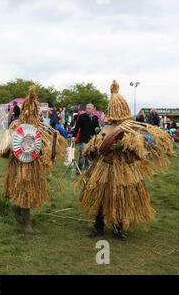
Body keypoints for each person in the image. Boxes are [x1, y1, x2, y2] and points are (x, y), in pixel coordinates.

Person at [74, 81, 173, 241]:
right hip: (104, 169)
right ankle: (98, 228)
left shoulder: (130, 129)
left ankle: (117, 229)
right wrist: (92, 150)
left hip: (121, 171)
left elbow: (138, 153)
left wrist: (121, 147)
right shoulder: (105, 128)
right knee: (100, 199)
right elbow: (94, 152)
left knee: (119, 199)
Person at [0, 86, 66, 234]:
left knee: (28, 193)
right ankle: (19, 213)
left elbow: (45, 148)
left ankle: (26, 221)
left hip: (34, 166)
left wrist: (50, 154)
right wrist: (7, 148)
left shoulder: (41, 128)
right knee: (19, 191)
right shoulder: (15, 125)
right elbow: (4, 149)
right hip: (17, 166)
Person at [72, 104, 100, 173]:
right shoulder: (82, 116)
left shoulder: (95, 118)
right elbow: (77, 127)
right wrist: (74, 136)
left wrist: (98, 129)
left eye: (89, 108)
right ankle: (78, 169)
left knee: (89, 154)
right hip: (83, 138)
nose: (87, 110)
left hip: (91, 140)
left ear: (93, 110)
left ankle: (88, 170)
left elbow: (97, 128)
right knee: (83, 154)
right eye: (86, 108)